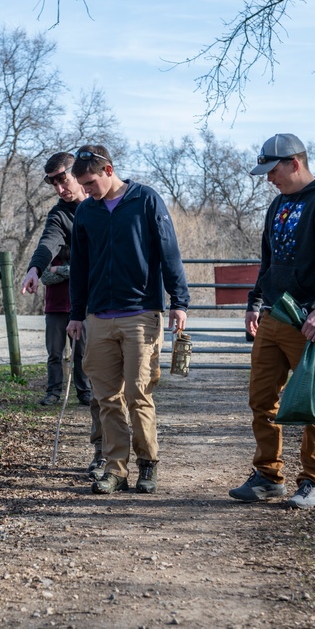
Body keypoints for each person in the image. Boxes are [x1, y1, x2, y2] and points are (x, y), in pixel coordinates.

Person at [228, 133, 315, 510]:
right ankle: (268, 476)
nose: (268, 178)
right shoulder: (278, 206)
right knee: (261, 397)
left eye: (273, 170)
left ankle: (312, 481)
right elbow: (267, 262)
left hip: (308, 318)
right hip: (272, 316)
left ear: (294, 163)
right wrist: (255, 302)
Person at [67, 145, 190, 495]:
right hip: (98, 317)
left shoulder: (146, 200)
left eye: (90, 182)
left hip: (141, 314)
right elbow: (79, 268)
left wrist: (179, 302)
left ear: (108, 170)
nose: (86, 189)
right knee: (106, 398)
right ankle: (115, 469)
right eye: (82, 184)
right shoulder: (86, 213)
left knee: (138, 394)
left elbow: (169, 252)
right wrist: (77, 315)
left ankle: (147, 465)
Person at [20, 152, 110, 479]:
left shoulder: (110, 203)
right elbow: (48, 243)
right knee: (69, 361)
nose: (59, 188)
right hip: (73, 303)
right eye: (53, 182)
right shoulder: (60, 215)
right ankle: (104, 456)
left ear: (80, 173)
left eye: (63, 179)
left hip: (114, 305)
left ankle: (141, 458)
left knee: (117, 384)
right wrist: (35, 268)